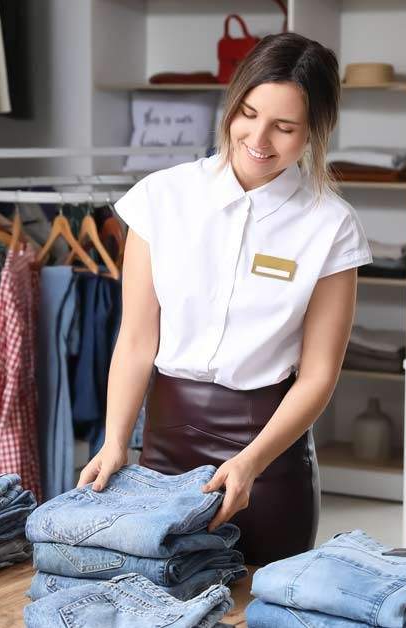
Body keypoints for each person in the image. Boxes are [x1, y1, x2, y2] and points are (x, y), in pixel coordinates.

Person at [78, 33, 372, 566]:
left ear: (314, 132)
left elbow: (318, 376)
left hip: (270, 456)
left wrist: (252, 462)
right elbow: (137, 340)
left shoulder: (331, 227)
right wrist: (116, 440)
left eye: (284, 127)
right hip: (163, 447)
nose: (258, 138)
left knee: (261, 608)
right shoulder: (160, 198)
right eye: (248, 114)